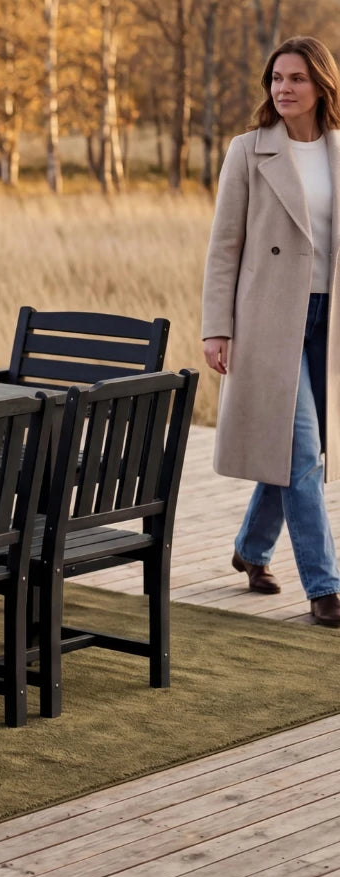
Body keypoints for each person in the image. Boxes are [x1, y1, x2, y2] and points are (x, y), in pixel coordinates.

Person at [203, 36, 340, 626]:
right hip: (267, 317)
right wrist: (217, 328)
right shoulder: (248, 151)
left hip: (327, 320)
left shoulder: (339, 151)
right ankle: (325, 586)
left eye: (296, 79)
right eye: (276, 78)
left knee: (294, 449)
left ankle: (251, 550)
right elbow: (223, 247)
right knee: (303, 449)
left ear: (322, 88)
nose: (283, 88)